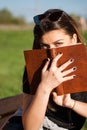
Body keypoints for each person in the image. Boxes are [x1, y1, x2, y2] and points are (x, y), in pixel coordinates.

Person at [22, 9, 87, 130]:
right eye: (45, 46)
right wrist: (44, 87)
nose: (52, 53)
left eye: (59, 44)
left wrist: (71, 104)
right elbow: (30, 127)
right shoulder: (35, 66)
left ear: (73, 39)